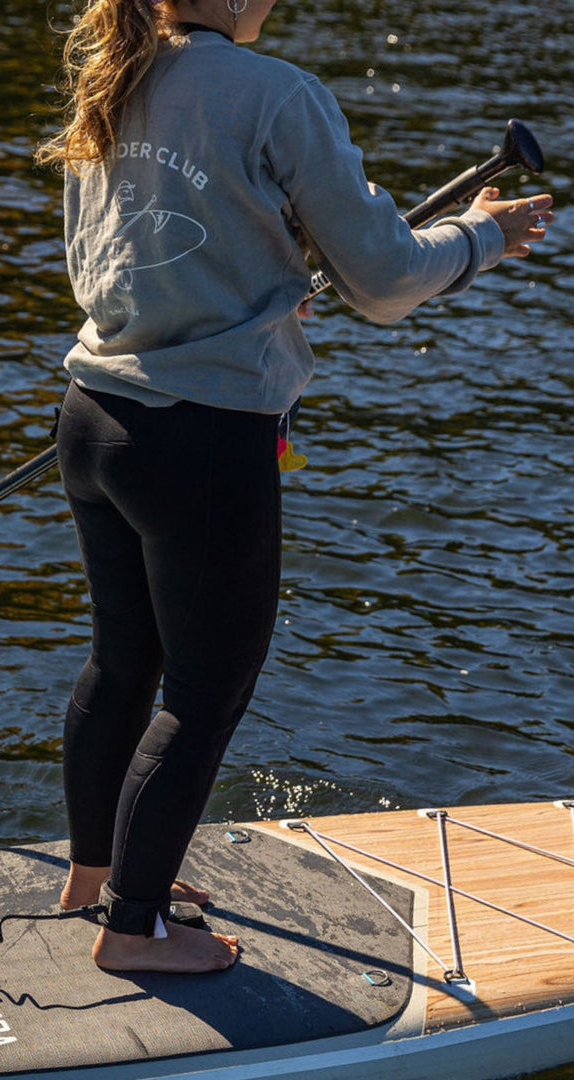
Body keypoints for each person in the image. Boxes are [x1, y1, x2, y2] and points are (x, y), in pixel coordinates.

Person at [35, 0, 553, 974]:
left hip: (93, 417)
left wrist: (261, 273)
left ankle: (94, 877)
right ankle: (133, 932)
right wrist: (480, 237)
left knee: (122, 664)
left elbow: (111, 261)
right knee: (203, 692)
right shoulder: (280, 94)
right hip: (202, 442)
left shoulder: (113, 75)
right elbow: (387, 281)